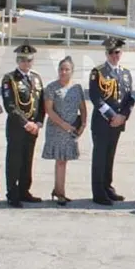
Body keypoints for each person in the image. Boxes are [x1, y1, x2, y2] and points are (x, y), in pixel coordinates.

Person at [88, 37, 135, 206]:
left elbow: (130, 98)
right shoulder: (98, 72)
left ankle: (108, 187)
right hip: (102, 122)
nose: (114, 56)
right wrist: (112, 116)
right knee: (100, 157)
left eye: (117, 52)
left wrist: (123, 116)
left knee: (110, 157)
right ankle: (98, 192)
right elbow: (96, 97)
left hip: (118, 122)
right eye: (111, 53)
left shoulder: (125, 73)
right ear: (106, 54)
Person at [2, 43, 45, 207]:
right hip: (17, 127)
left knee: (27, 160)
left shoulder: (36, 78)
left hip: (33, 127)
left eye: (29, 60)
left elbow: (40, 103)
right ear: (17, 61)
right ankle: (12, 194)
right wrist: (26, 123)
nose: (26, 63)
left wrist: (39, 122)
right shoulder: (10, 79)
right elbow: (10, 105)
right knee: (14, 160)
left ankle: (24, 191)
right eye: (22, 60)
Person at [42, 56, 86, 206]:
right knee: (60, 161)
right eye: (61, 69)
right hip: (57, 128)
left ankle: (58, 189)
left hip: (72, 129)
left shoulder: (77, 88)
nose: (63, 72)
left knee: (64, 161)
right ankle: (60, 193)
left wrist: (83, 125)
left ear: (72, 71)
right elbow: (49, 110)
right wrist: (63, 125)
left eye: (67, 69)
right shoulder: (51, 87)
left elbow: (83, 108)